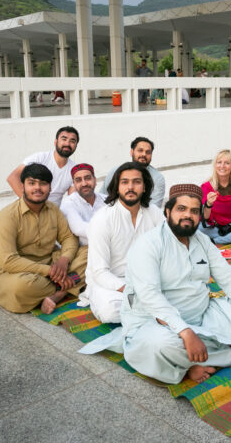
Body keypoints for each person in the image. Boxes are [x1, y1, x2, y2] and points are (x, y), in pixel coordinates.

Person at [120, 184, 231, 384]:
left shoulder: (203, 240)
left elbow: (229, 279)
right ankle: (224, 356)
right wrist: (185, 332)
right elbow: (150, 296)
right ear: (168, 211)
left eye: (194, 211)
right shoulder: (148, 244)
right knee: (162, 345)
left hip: (201, 315)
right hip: (157, 322)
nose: (188, 215)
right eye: (182, 209)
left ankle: (197, 355)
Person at [0, 164, 87, 314]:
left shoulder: (53, 210)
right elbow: (9, 261)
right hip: (15, 272)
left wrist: (63, 261)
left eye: (43, 183)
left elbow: (68, 238)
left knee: (91, 253)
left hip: (50, 263)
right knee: (21, 287)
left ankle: (58, 294)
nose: (37, 188)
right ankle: (70, 284)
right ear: (22, 186)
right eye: (32, 183)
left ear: (50, 187)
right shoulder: (6, 217)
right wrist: (51, 272)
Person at [79, 162, 164, 323]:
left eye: (136, 182)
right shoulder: (102, 219)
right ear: (117, 187)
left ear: (145, 187)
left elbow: (168, 248)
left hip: (146, 280)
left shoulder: (154, 213)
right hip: (111, 285)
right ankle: (151, 310)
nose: (130, 187)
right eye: (125, 182)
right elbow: (99, 272)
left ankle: (147, 309)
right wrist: (133, 291)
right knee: (110, 311)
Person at [7, 126, 79, 206]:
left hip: (52, 212)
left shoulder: (75, 170)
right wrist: (31, 204)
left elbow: (72, 198)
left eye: (72, 141)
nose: (67, 144)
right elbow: (12, 178)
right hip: (28, 206)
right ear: (55, 142)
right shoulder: (40, 158)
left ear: (76, 145)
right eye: (64, 139)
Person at [100, 136, 166, 208]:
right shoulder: (115, 171)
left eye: (148, 152)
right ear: (131, 152)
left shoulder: (157, 178)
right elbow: (102, 198)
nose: (144, 154)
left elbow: (154, 208)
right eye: (140, 150)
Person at [59, 163, 106, 245]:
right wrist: (111, 232)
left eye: (88, 178)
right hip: (83, 250)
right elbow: (79, 228)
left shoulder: (106, 200)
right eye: (78, 180)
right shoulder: (68, 203)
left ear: (95, 180)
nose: (84, 184)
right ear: (73, 184)